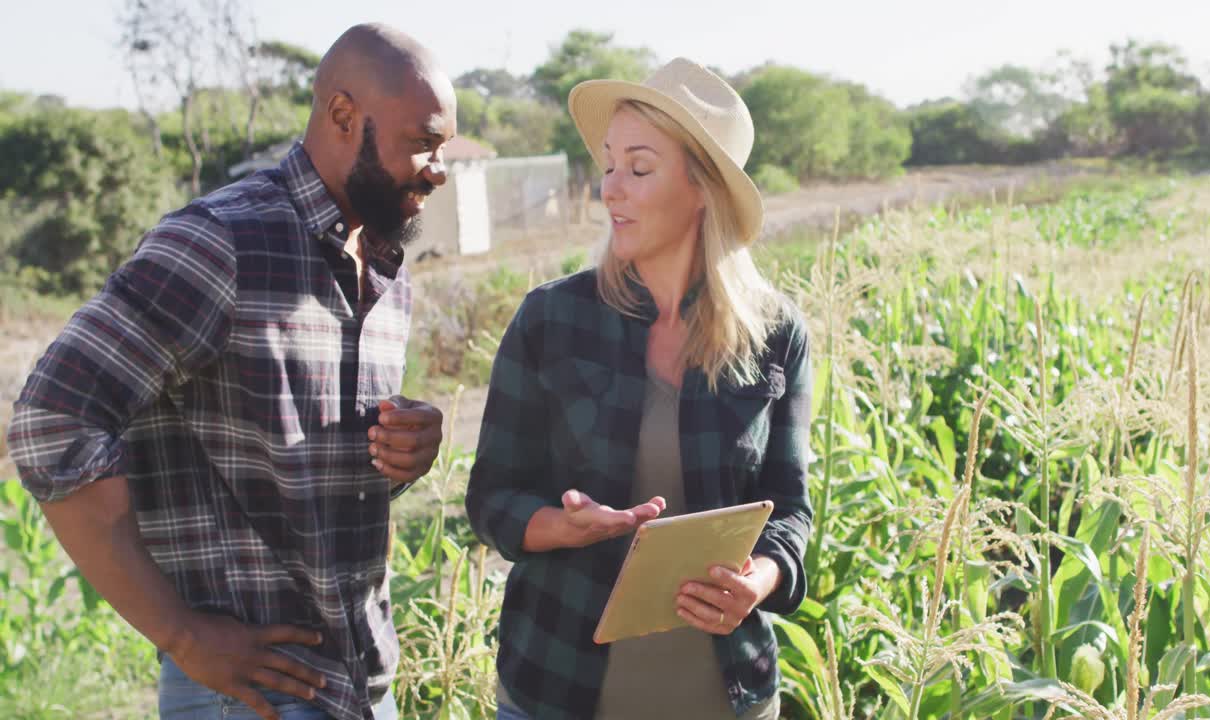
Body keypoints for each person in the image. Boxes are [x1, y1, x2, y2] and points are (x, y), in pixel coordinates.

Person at [5, 23, 456, 720]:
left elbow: (297, 482)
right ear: (342, 115)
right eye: (423, 142)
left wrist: (404, 454)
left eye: (444, 148)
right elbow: (52, 422)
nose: (439, 167)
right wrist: (181, 633)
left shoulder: (385, 266)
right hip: (246, 694)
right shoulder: (221, 242)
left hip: (361, 682)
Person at [465, 58, 813, 720]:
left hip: (726, 697)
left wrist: (758, 580)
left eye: (640, 168)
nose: (610, 190)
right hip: (553, 689)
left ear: (703, 188)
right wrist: (556, 527)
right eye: (608, 165)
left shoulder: (778, 334)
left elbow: (790, 510)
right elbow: (490, 497)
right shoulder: (549, 319)